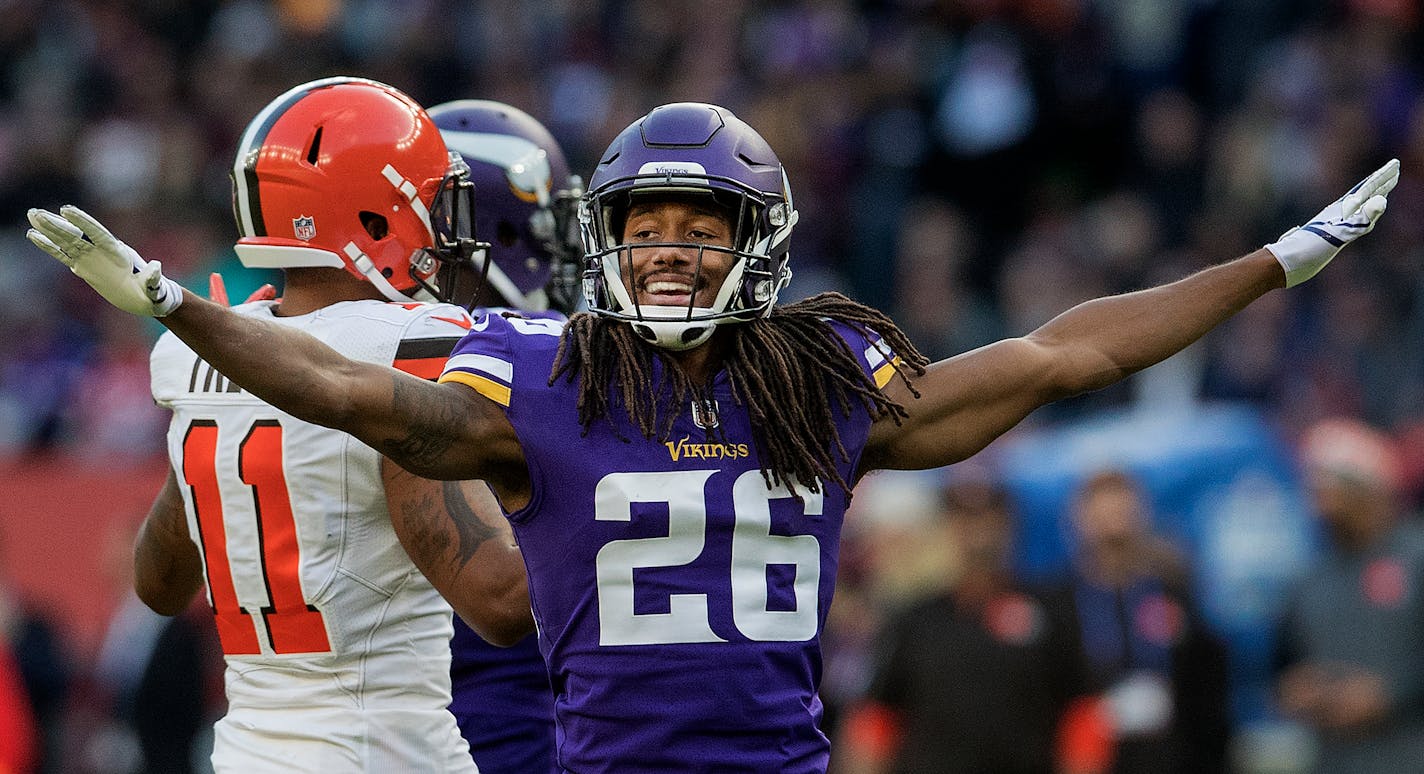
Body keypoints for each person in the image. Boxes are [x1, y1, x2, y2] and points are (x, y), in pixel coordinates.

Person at [26, 101, 1398, 771]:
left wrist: (1275, 260)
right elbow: (345, 392)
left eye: (702, 227)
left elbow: (1061, 349)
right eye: (645, 227)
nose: (670, 251)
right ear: (603, 240)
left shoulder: (819, 378)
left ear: (760, 241)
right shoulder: (541, 370)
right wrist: (171, 300)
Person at [91, 76, 535, 771]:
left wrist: (224, 386)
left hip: (246, 753)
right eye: (427, 202)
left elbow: (159, 586)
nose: (441, 226)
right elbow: (500, 603)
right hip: (384, 752)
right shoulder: (413, 344)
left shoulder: (194, 355)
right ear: (376, 217)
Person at [414, 97, 584, 774]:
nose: (563, 249)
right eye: (549, 226)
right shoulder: (539, 366)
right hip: (509, 737)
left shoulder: (347, 363)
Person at [841, 479, 1090, 774]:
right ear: (948, 528)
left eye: (989, 518)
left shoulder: (1049, 611)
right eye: (965, 519)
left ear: (1009, 525)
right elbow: (876, 717)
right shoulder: (916, 619)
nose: (979, 533)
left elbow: (1081, 714)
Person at [1275, 418, 1424, 773]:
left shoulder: (1416, 556)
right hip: (1334, 757)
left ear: (1370, 489)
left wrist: (1392, 693)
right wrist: (1296, 688)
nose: (1320, 499)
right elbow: (1286, 664)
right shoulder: (1310, 577)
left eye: (1331, 483)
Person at [1060, 469, 1231, 774]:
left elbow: (1208, 680)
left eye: (1123, 506)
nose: (1114, 518)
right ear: (1079, 519)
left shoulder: (1171, 592)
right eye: (1102, 508)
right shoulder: (1063, 603)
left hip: (1172, 756)